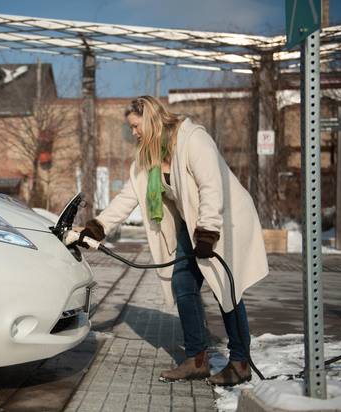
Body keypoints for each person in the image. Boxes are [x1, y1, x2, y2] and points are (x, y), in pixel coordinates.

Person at [78, 95, 268, 386]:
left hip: (223, 219)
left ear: (151, 118)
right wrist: (98, 227)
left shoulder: (192, 139)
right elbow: (128, 198)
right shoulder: (148, 158)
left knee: (225, 287)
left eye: (136, 126)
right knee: (183, 283)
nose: (134, 133)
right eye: (130, 128)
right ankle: (197, 359)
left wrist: (208, 231)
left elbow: (211, 186)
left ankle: (240, 362)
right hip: (192, 223)